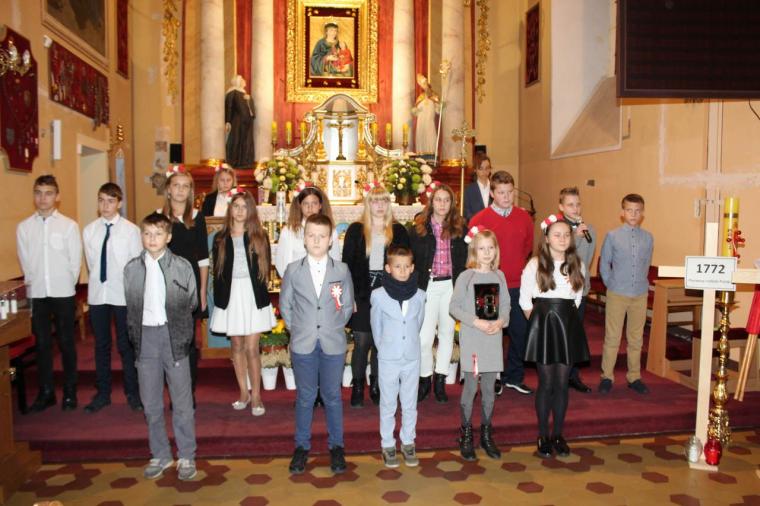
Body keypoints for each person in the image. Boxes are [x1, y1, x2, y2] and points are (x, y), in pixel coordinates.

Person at [124, 212, 198, 481]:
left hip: (173, 337)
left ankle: (186, 455)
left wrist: (180, 331)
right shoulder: (132, 268)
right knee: (151, 402)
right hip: (145, 338)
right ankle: (160, 454)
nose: (152, 238)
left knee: (182, 402)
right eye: (147, 233)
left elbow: (192, 302)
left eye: (158, 234)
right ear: (141, 236)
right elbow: (131, 304)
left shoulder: (181, 266)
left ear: (168, 237)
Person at [280, 214, 355, 475]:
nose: (316, 240)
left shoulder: (341, 270)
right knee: (306, 396)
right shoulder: (293, 270)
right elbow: (286, 305)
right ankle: (301, 446)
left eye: (322, 236)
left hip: (333, 342)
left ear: (330, 240)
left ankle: (337, 446)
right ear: (304, 238)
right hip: (304, 342)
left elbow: (346, 306)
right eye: (311, 235)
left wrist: (333, 326)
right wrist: (300, 329)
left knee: (333, 396)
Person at [520, 214, 589, 459]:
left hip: (566, 324)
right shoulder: (535, 264)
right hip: (544, 324)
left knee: (562, 383)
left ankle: (558, 434)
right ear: (547, 238)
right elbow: (525, 301)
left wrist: (564, 319)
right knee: (546, 383)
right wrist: (539, 326)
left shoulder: (577, 264)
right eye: (556, 234)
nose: (562, 238)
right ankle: (543, 435)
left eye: (566, 235)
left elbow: (577, 299)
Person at [16, 175, 82, 412]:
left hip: (63, 292)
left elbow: (75, 262)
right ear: (34, 195)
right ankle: (46, 392)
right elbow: (25, 262)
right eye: (38, 193)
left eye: (48, 193)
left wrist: (66, 285)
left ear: (57, 196)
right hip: (37, 293)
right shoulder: (24, 227)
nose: (43, 198)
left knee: (66, 343)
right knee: (42, 344)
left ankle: (70, 391)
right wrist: (34, 285)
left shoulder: (69, 226)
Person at [342, 184, 410, 408]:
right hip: (362, 292)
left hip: (389, 293)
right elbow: (346, 266)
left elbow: (405, 265)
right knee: (362, 341)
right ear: (368, 204)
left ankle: (377, 385)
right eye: (375, 201)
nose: (379, 205)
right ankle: (358, 385)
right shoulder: (356, 230)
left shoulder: (398, 231)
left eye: (383, 201)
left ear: (388, 204)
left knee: (382, 343)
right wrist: (350, 296)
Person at [468, 171, 534, 396]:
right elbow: (473, 253)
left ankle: (514, 376)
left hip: (517, 284)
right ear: (492, 193)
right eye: (501, 193)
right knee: (490, 334)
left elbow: (527, 247)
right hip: (489, 284)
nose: (506, 197)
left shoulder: (524, 217)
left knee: (520, 332)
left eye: (510, 192)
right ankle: (492, 377)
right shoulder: (479, 220)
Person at [210, 191, 274, 416]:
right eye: (235, 206)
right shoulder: (220, 238)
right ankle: (243, 393)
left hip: (252, 295)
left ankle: (256, 395)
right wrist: (220, 301)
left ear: (250, 211)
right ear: (230, 209)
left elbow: (265, 270)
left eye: (244, 207)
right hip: (231, 295)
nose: (239, 211)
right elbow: (217, 273)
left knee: (251, 347)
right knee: (236, 345)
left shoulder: (259, 236)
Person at [449, 229, 510, 462]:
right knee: (471, 388)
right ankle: (466, 433)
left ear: (496, 250)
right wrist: (476, 322)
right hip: (474, 341)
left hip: (492, 341)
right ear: (474, 250)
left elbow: (506, 306)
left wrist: (501, 321)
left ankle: (486, 432)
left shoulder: (500, 276)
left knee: (489, 390)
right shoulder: (466, 277)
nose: (486, 252)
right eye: (482, 248)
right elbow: (454, 307)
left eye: (490, 248)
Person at [82, 183, 143, 413]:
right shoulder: (90, 231)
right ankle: (103, 393)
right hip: (99, 294)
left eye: (110, 200)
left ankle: (133, 393)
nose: (105, 205)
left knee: (126, 346)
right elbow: (92, 264)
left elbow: (136, 265)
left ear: (119, 203)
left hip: (123, 295)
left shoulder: (131, 230)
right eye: (101, 200)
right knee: (101, 345)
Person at [410, 182, 467, 403]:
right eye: (438, 200)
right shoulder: (419, 228)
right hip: (429, 285)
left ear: (452, 203)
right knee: (424, 338)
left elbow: (465, 258)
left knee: (446, 334)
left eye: (447, 200)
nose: (442, 204)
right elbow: (411, 259)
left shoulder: (460, 228)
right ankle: (425, 378)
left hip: (450, 286)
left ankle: (441, 379)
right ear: (431, 202)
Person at [370, 245, 426, 468]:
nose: (402, 271)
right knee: (388, 402)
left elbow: (418, 323)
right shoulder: (378, 296)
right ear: (388, 268)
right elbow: (376, 328)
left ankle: (408, 441)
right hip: (388, 358)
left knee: (410, 402)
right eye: (397, 266)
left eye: (406, 267)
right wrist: (385, 349)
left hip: (411, 357)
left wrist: (407, 344)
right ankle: (387, 444)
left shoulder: (419, 295)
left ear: (412, 268)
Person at [160, 167, 209, 404]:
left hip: (189, 288)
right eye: (176, 185)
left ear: (190, 191)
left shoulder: (197, 217)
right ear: (168, 190)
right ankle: (173, 392)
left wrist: (202, 291)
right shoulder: (159, 217)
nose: (180, 190)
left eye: (185, 186)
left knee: (187, 343)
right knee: (168, 343)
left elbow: (203, 257)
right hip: (165, 288)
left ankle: (187, 392)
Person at [598, 194, 653, 395]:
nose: (633, 214)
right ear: (622, 213)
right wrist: (610, 283)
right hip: (617, 293)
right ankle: (606, 376)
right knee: (612, 337)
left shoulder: (648, 237)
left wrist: (641, 283)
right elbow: (604, 263)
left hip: (639, 294)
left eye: (637, 211)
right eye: (629, 210)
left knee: (636, 339)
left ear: (642, 213)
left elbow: (646, 263)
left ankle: (634, 377)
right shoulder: (612, 236)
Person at [558, 187, 596, 393]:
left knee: (575, 334)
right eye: (570, 204)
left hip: (579, 290)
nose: (575, 208)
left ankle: (572, 375)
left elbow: (584, 261)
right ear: (561, 207)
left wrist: (581, 235)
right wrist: (574, 236)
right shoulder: (555, 230)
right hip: (561, 291)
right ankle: (558, 376)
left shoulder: (589, 230)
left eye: (578, 204)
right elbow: (562, 256)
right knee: (560, 334)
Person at [275, 185, 341, 279]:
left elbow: (336, 260)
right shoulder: (288, 231)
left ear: (320, 205)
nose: (310, 207)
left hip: (324, 280)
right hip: (297, 281)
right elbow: (281, 263)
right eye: (306, 203)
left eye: (314, 203)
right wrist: (291, 281)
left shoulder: (331, 230)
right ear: (300, 206)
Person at [225, 75, 256, 168]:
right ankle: (234, 162)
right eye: (242, 80)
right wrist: (228, 121)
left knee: (246, 141)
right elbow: (229, 107)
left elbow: (251, 109)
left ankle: (246, 161)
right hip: (237, 122)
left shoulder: (245, 94)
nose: (244, 81)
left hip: (247, 122)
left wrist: (249, 100)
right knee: (236, 141)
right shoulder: (232, 92)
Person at [411, 74, 439, 158]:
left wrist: (440, 106)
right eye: (423, 85)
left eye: (425, 84)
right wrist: (414, 110)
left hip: (430, 122)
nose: (424, 86)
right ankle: (421, 156)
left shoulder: (435, 97)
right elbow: (416, 112)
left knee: (431, 136)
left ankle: (431, 155)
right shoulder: (420, 97)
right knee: (421, 136)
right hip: (421, 122)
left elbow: (438, 111)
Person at [463, 156, 493, 223]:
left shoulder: (495, 188)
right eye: (481, 168)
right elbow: (467, 213)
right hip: (476, 226)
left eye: (487, 168)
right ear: (475, 170)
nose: (484, 171)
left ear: (490, 169)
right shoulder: (468, 190)